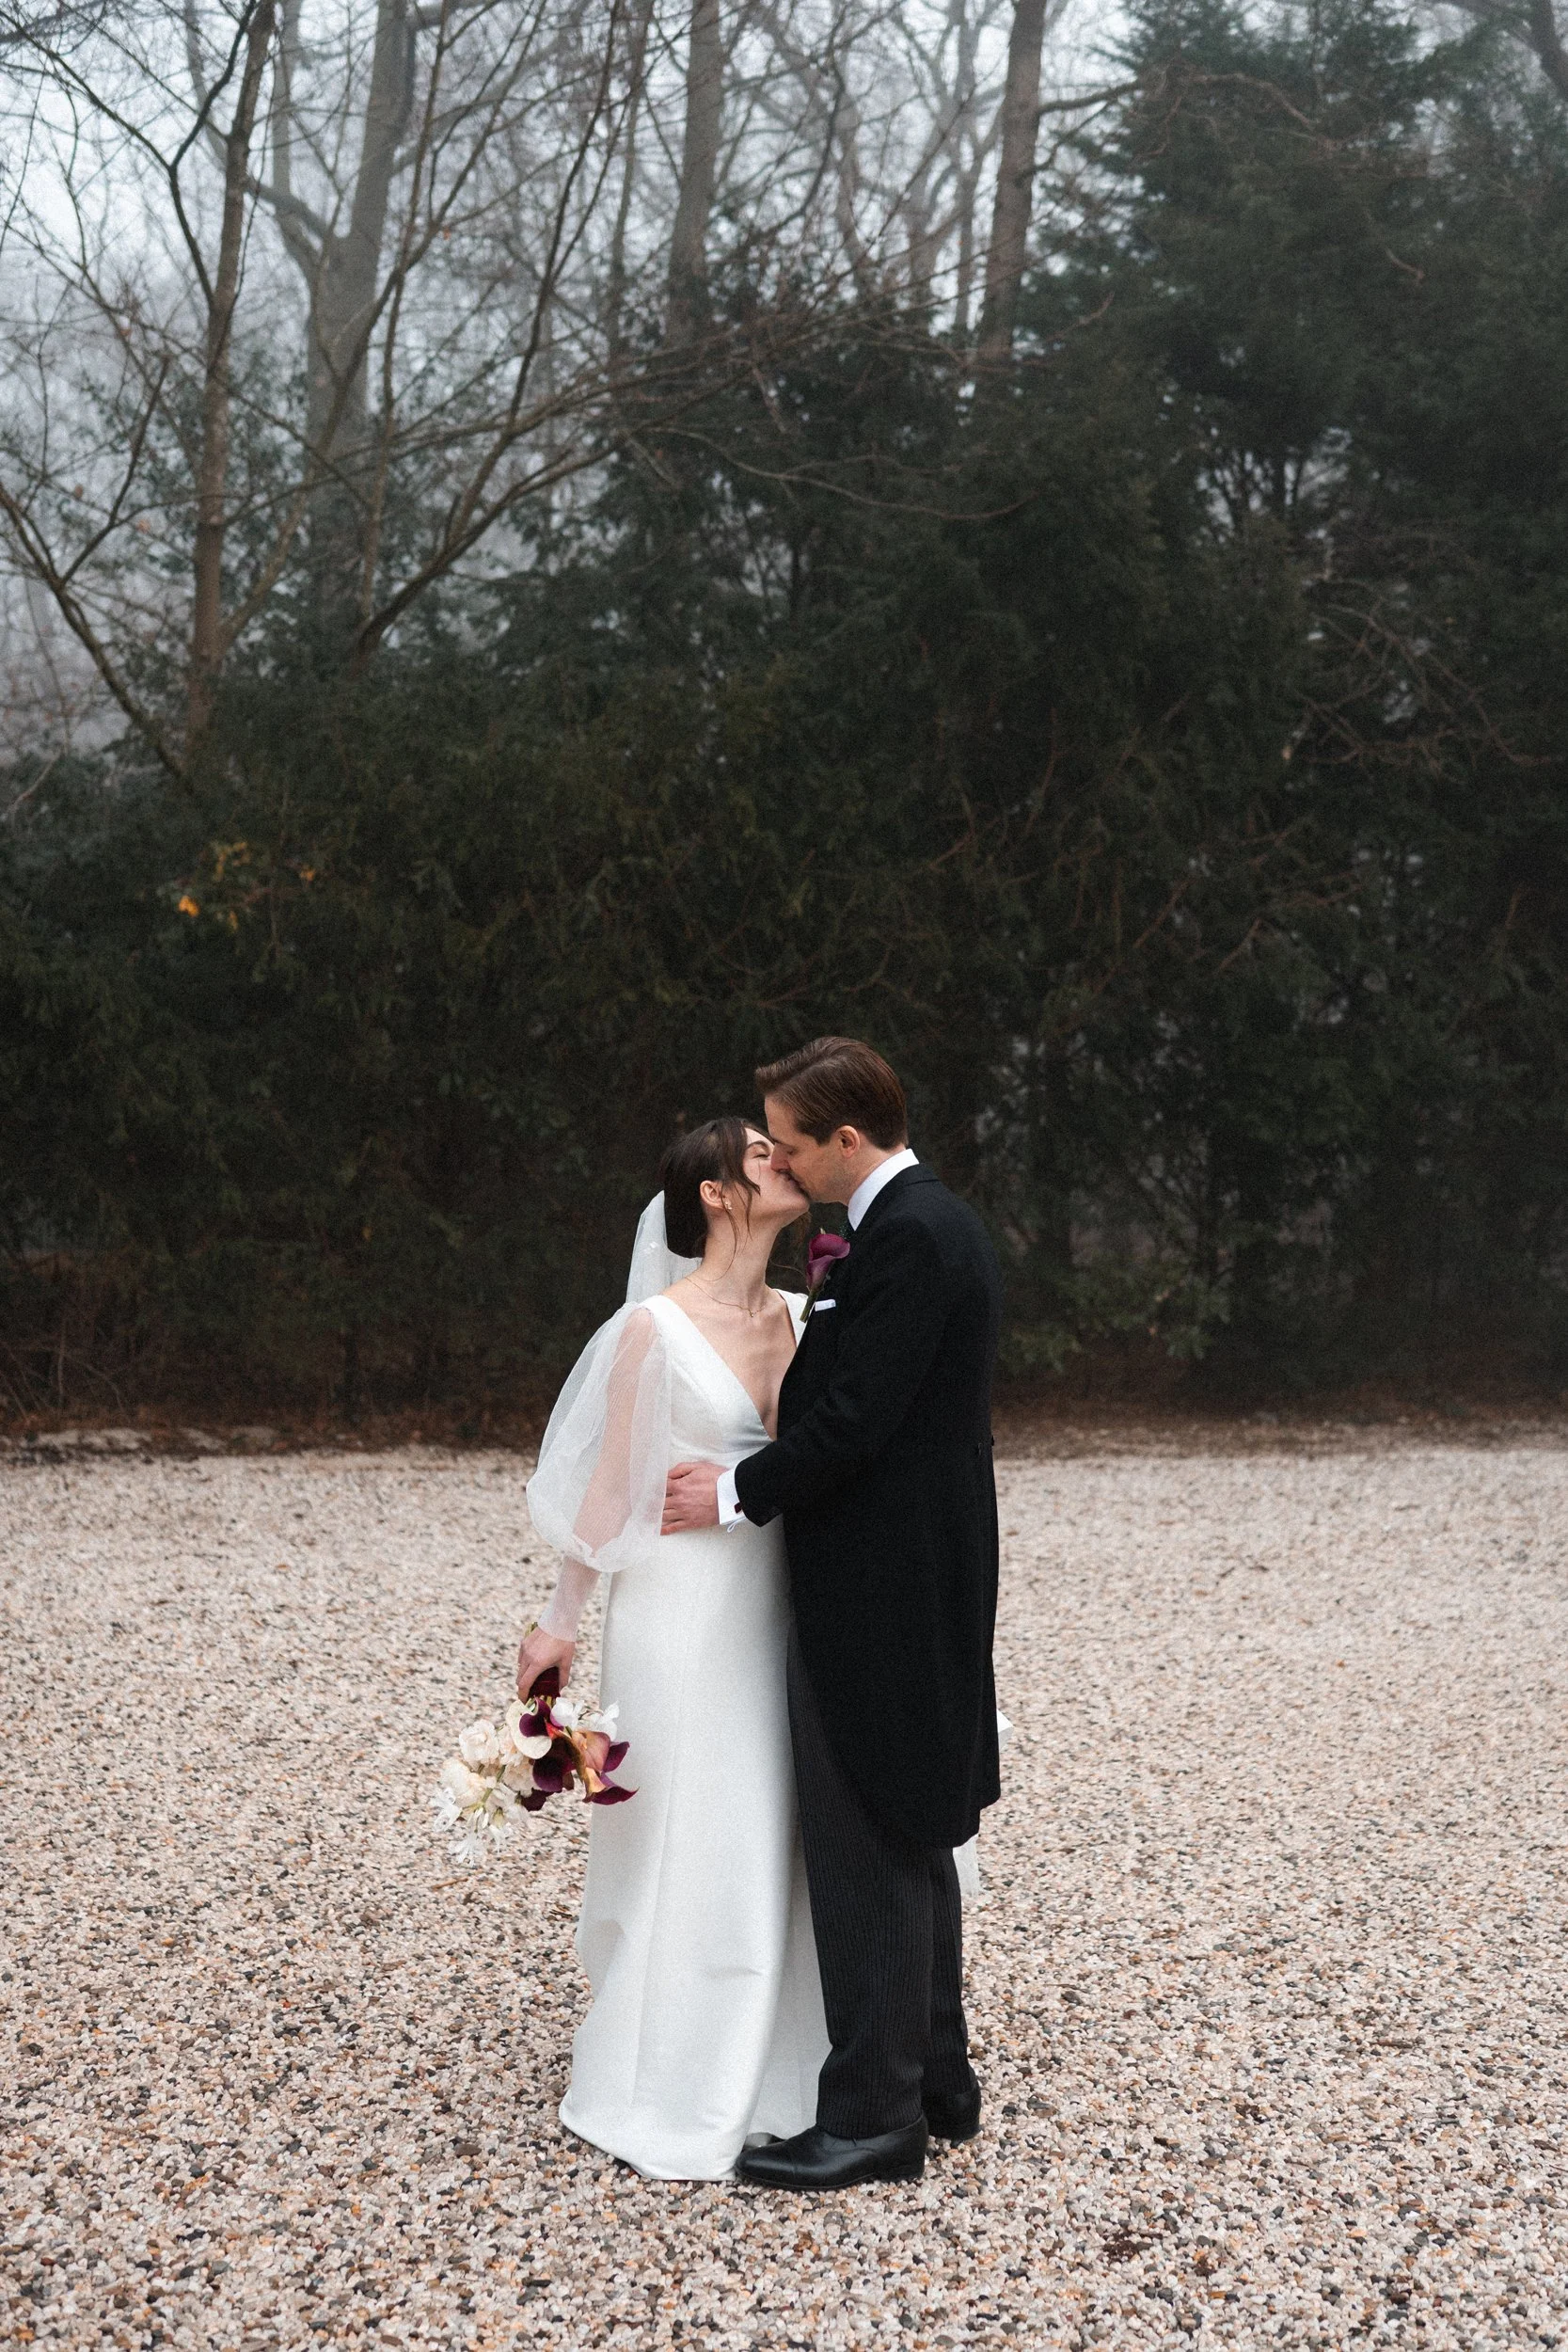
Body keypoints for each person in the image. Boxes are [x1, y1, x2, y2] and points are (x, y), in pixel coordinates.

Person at [663, 1037, 1003, 2191]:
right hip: (913, 1569)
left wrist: (731, 1490)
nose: (786, 1161)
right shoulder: (920, 1227)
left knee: (863, 1836)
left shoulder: (906, 1238)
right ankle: (937, 2081)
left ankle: (869, 2116)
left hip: (883, 1585)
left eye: (795, 1144)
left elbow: (854, 1419)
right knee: (911, 1823)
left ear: (845, 1139)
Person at [518, 1119, 829, 2181]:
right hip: (678, 1608)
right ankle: (670, 2064)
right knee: (684, 1819)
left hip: (777, 1598)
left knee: (775, 1811)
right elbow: (607, 1491)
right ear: (712, 1191)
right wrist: (556, 1623)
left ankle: (794, 2061)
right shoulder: (652, 1328)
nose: (782, 1157)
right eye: (759, 1152)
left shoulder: (802, 1315)